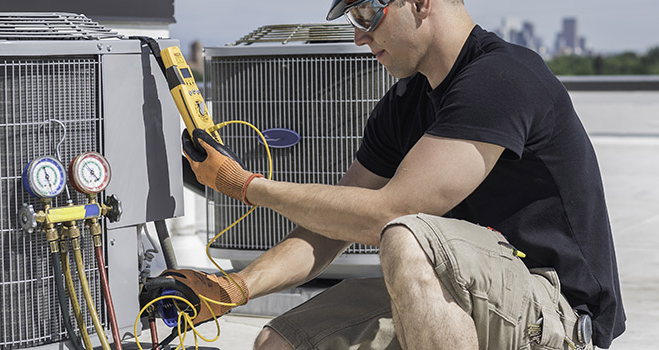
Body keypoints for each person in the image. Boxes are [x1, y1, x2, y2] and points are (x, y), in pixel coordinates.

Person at [144, 0, 626, 349]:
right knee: (282, 342)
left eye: (365, 15)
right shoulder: (404, 104)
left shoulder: (503, 78)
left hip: (555, 313)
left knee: (406, 237)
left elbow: (389, 213)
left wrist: (247, 186)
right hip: (473, 293)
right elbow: (329, 229)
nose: (359, 36)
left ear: (420, 3)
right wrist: (238, 287)